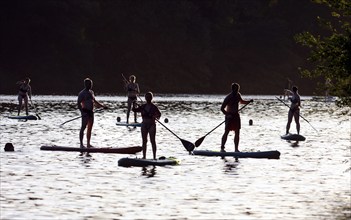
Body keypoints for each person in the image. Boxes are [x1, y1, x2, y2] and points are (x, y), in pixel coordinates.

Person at [77, 78, 106, 156]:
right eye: (89, 84)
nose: (90, 85)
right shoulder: (82, 93)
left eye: (91, 84)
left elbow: (95, 102)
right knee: (83, 127)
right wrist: (82, 112)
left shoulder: (91, 92)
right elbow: (78, 103)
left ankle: (88, 144)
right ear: (85, 84)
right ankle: (81, 144)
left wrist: (102, 106)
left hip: (91, 113)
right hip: (85, 113)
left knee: (90, 128)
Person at [220, 83, 253, 152]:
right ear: (233, 89)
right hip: (229, 116)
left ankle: (236, 149)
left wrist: (248, 102)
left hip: (236, 116)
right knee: (226, 132)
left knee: (237, 132)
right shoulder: (228, 97)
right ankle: (222, 148)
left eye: (238, 89)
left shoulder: (238, 95)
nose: (237, 90)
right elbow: (222, 108)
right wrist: (227, 115)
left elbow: (241, 101)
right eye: (236, 89)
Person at [132, 92, 161, 159]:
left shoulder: (154, 107)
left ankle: (154, 157)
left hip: (152, 125)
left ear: (151, 98)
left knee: (152, 141)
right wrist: (133, 104)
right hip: (144, 125)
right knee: (144, 141)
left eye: (149, 97)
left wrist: (155, 116)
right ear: (145, 98)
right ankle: (144, 156)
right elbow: (134, 110)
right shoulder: (143, 107)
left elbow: (159, 114)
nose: (148, 98)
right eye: (147, 97)